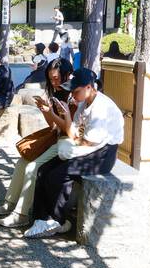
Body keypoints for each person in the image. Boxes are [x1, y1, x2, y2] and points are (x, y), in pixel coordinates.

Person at [24, 67, 123, 238]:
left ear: (89, 88)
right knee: (43, 170)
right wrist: (66, 117)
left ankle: (56, 220)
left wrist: (73, 136)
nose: (73, 95)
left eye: (76, 91)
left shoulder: (101, 107)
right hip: (87, 148)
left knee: (59, 174)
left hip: (102, 154)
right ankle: (40, 219)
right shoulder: (84, 103)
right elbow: (74, 133)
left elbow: (86, 140)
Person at [0, 60, 74, 228]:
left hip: (67, 142)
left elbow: (69, 130)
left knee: (33, 167)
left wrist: (51, 114)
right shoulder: (57, 92)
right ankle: (10, 203)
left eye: (56, 78)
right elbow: (53, 125)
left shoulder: (72, 95)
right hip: (56, 137)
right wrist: (45, 110)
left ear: (67, 74)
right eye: (51, 79)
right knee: (22, 162)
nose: (53, 82)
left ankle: (21, 214)